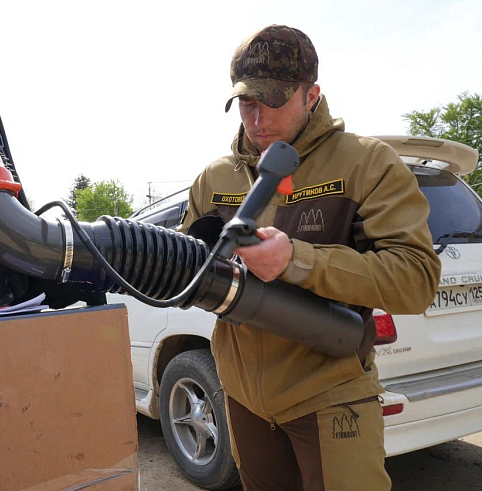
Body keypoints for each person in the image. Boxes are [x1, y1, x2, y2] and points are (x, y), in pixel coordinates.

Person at [177, 25, 441, 491]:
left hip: (330, 393)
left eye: (274, 99)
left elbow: (416, 280)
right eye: (246, 102)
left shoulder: (365, 163)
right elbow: (186, 272)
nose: (258, 118)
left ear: (311, 94)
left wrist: (297, 260)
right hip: (243, 399)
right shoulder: (213, 178)